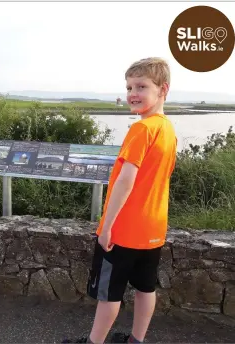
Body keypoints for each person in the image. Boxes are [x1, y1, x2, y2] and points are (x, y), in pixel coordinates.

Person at [62, 57, 177, 343]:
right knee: (145, 289)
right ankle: (136, 340)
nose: (132, 94)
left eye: (141, 86)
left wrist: (107, 226)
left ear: (163, 89)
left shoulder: (142, 129)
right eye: (128, 87)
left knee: (110, 294)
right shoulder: (168, 130)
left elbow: (127, 180)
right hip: (153, 230)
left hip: (124, 230)